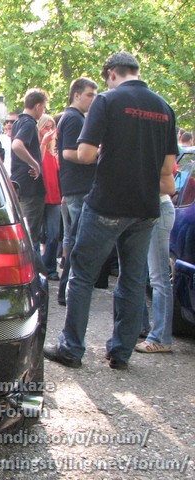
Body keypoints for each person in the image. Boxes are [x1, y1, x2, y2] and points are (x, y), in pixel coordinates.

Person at [44, 52, 178, 370]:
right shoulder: (164, 107)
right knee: (132, 280)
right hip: (145, 207)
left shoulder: (106, 101)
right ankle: (121, 352)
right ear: (136, 71)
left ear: (110, 74)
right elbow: (168, 168)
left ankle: (71, 348)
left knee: (81, 276)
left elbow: (86, 155)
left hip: (107, 203)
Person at [56, 77, 99, 305]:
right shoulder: (73, 118)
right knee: (78, 242)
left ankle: (68, 290)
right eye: (90, 94)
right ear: (76, 95)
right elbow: (68, 153)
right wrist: (96, 154)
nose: (93, 99)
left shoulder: (74, 117)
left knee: (75, 239)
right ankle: (68, 291)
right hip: (78, 188)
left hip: (76, 187)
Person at [136, 190, 175, 353]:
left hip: (158, 210)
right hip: (146, 212)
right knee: (140, 275)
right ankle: (144, 327)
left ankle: (160, 339)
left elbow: (169, 187)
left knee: (159, 279)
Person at [11, 88, 49, 248]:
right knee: (30, 237)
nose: (44, 111)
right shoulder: (28, 123)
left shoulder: (17, 122)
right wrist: (34, 164)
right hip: (30, 185)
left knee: (24, 233)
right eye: (44, 107)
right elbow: (17, 145)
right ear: (38, 106)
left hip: (20, 183)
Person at [38, 113, 61, 280]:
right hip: (39, 196)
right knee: (37, 235)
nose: (50, 130)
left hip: (55, 197)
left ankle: (49, 268)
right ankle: (40, 268)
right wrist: (44, 142)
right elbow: (36, 163)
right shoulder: (38, 146)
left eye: (52, 126)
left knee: (54, 234)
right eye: (46, 126)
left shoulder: (54, 150)